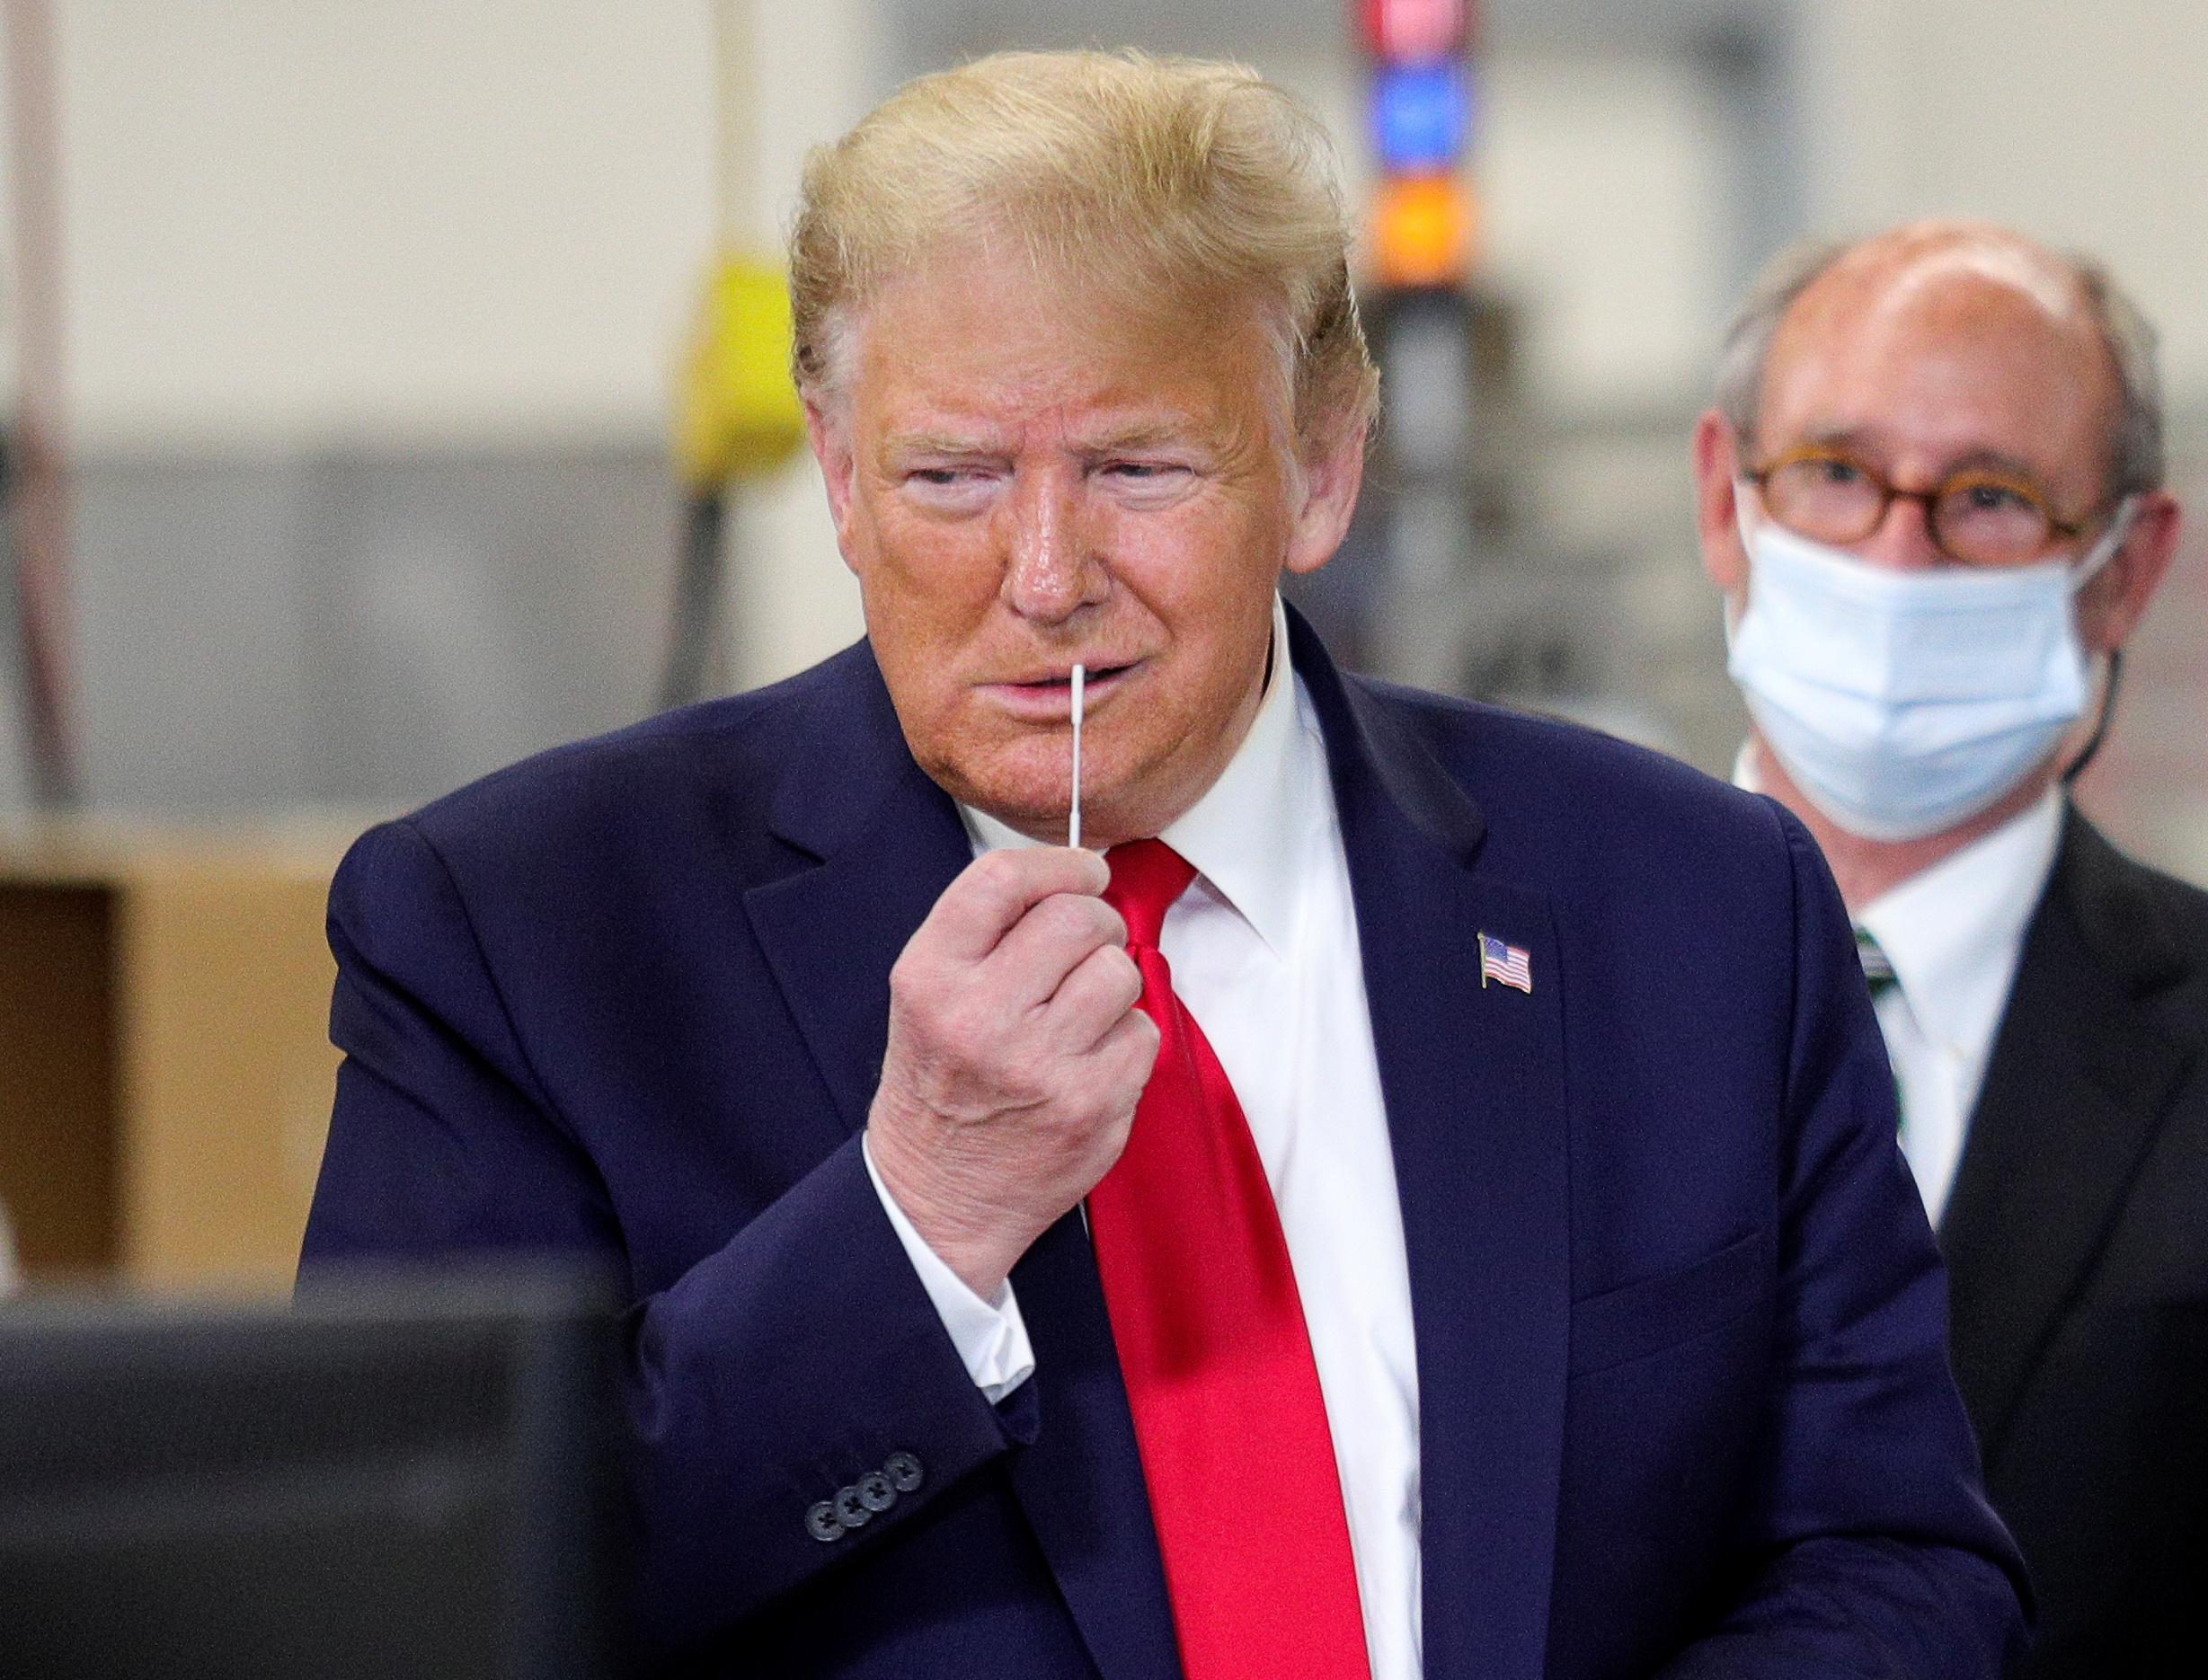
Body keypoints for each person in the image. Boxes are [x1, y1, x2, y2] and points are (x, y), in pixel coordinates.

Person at [304, 54, 2023, 1678]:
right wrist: (915, 1224)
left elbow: (1890, 1559)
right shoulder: (522, 936)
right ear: (837, 473)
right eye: (952, 475)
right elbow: (399, 1608)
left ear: (1319, 468)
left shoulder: (1692, 908)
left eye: (1137, 468)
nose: (1044, 575)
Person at [1695, 219, 2208, 1679]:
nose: (1898, 555)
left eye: (1989, 497)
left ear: (2122, 566)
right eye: (1837, 476)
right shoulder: (1494, 997)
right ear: (1722, 501)